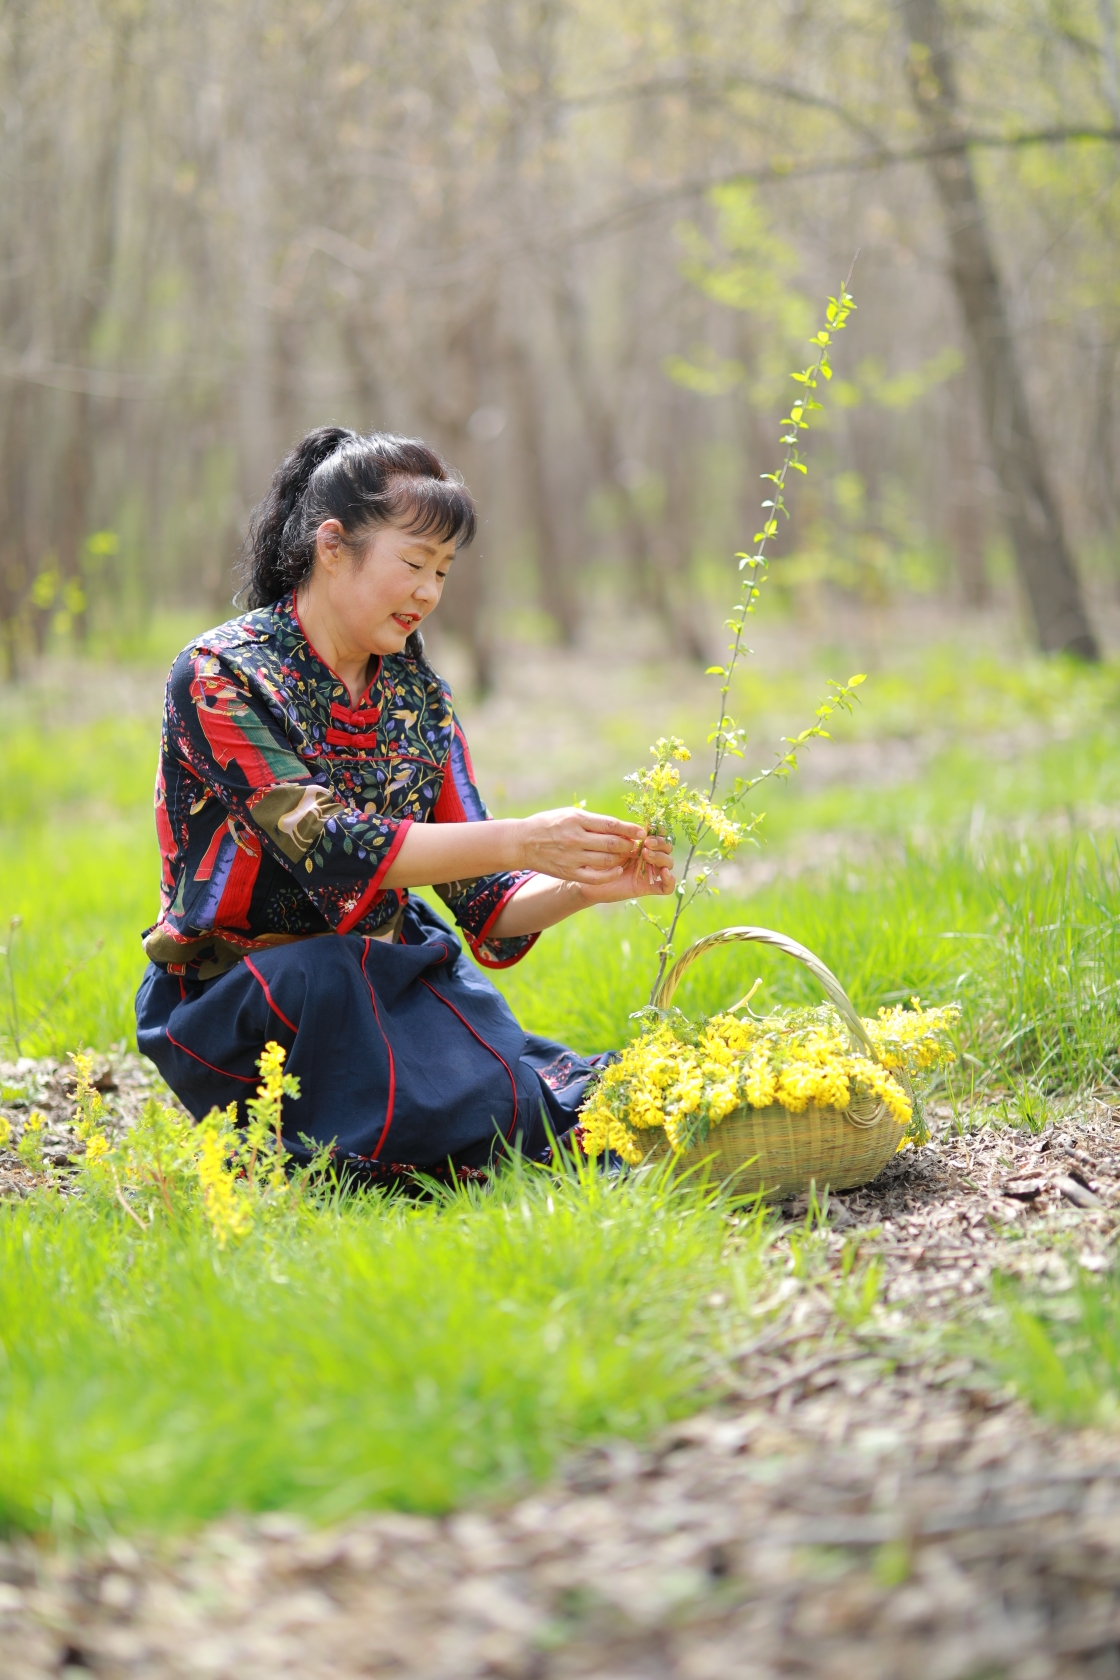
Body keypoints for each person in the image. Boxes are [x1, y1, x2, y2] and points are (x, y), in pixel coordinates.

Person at [136, 427, 675, 1181]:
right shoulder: (221, 675)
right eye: (414, 563)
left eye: (444, 571)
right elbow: (333, 848)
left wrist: (584, 884)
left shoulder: (419, 697)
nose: (429, 591)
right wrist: (523, 839)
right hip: (249, 1001)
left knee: (549, 1107)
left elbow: (485, 899)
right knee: (485, 1116)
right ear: (333, 546)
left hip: (384, 975)